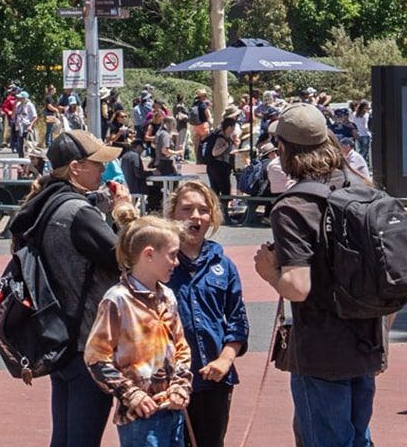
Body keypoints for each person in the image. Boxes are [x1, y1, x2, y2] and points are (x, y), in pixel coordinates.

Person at [253, 103, 389, 447]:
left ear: (283, 149)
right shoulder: (363, 190)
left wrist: (270, 272)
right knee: (359, 438)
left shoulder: (294, 207)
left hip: (322, 348)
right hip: (366, 340)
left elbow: (297, 287)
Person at [12, 128, 137, 447]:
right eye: (97, 164)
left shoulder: (43, 204)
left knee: (65, 437)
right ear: (76, 168)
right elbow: (133, 259)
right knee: (82, 439)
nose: (103, 170)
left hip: (58, 333)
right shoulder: (78, 212)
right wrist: (124, 213)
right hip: (87, 341)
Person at [87, 217, 194, 447]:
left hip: (172, 410)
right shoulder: (117, 300)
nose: (176, 262)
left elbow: (181, 348)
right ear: (148, 254)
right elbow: (96, 358)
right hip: (140, 417)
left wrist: (180, 385)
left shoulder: (167, 297)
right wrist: (131, 394)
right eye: (172, 255)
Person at [165, 182, 248, 447]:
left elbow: (237, 319)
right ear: (172, 215)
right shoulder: (160, 262)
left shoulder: (223, 265)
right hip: (169, 380)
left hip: (214, 379)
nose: (195, 216)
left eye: (203, 210)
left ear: (212, 217)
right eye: (186, 209)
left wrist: (225, 359)